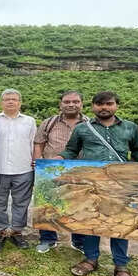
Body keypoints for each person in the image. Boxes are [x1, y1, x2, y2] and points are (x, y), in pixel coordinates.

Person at [55, 91, 138, 276]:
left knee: (120, 223)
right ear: (93, 107)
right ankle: (90, 259)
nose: (104, 107)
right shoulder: (82, 128)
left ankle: (121, 266)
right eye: (99, 104)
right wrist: (56, 160)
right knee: (91, 220)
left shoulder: (130, 127)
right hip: (93, 182)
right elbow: (71, 150)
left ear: (116, 105)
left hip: (121, 182)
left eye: (108, 103)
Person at [32, 90, 88, 253]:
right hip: (51, 170)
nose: (71, 105)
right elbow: (39, 143)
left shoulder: (90, 124)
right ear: (60, 104)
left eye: (75, 102)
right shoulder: (49, 123)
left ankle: (79, 241)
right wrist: (38, 161)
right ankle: (48, 239)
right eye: (67, 102)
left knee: (79, 206)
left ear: (82, 104)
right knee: (47, 205)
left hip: (80, 170)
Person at [0, 89, 36, 251]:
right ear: (1, 102)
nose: (10, 101)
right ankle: (0, 231)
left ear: (20, 103)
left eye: (14, 99)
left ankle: (17, 231)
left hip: (23, 168)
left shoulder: (29, 121)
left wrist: (35, 162)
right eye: (7, 99)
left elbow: (33, 143)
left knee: (21, 202)